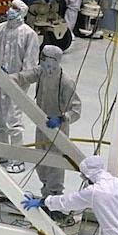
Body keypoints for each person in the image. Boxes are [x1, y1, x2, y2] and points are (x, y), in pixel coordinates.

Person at [0, 0, 41, 164]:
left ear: (21, 12)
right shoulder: (1, 28)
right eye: (10, 7)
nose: (10, 10)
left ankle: (17, 159)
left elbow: (31, 64)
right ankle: (2, 152)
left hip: (16, 83)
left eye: (14, 8)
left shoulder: (29, 34)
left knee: (13, 120)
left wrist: (19, 78)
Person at [29, 42, 83, 197]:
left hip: (58, 127)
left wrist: (61, 119)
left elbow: (76, 109)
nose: (43, 63)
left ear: (54, 60)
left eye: (45, 59)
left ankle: (55, 196)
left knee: (55, 162)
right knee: (40, 159)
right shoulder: (42, 73)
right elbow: (24, 76)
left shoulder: (66, 82)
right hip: (42, 124)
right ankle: (46, 194)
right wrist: (8, 77)